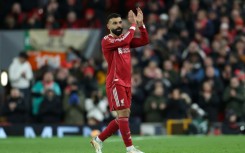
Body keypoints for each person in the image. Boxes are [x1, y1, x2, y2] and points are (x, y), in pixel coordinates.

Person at [90, 8, 149, 153]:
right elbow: (127, 39)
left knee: (124, 115)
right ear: (108, 26)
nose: (118, 25)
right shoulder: (107, 40)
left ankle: (98, 140)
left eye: (120, 22)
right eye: (114, 23)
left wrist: (141, 24)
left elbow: (144, 40)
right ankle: (130, 149)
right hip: (115, 81)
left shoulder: (124, 39)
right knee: (123, 114)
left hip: (126, 82)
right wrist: (133, 25)